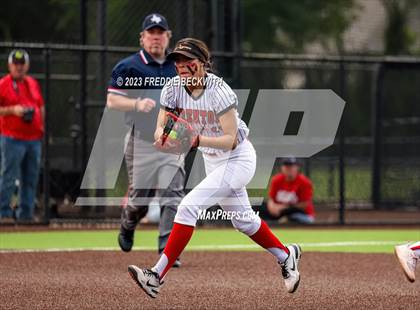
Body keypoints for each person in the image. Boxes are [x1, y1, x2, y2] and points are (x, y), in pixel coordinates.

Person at [127, 38, 302, 298]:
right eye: (178, 61)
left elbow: (231, 140)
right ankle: (286, 255)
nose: (182, 66)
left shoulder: (219, 91)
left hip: (237, 158)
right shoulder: (172, 88)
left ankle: (156, 275)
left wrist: (195, 140)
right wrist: (163, 139)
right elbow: (162, 126)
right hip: (212, 160)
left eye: (188, 61)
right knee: (243, 220)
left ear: (203, 64)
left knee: (187, 206)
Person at [106, 13, 184, 266]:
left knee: (173, 194)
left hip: (171, 141)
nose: (156, 37)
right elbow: (112, 100)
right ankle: (128, 222)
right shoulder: (128, 66)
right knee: (141, 198)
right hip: (140, 141)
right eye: (151, 32)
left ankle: (167, 251)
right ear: (142, 38)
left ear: (168, 37)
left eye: (160, 32)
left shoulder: (178, 66)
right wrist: (136, 103)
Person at [0, 50, 44, 222]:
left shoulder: (32, 83)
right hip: (11, 138)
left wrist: (41, 128)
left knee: (31, 178)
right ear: (10, 65)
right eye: (15, 63)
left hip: (33, 139)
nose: (19, 67)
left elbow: (40, 106)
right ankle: (3, 214)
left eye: (21, 63)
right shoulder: (3, 84)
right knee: (9, 176)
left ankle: (26, 215)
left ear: (26, 65)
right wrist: (13, 110)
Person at [266, 157, 315, 224]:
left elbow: (304, 205)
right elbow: (271, 199)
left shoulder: (304, 182)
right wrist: (272, 207)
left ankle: (285, 220)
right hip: (279, 212)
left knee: (298, 217)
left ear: (297, 168)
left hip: (300, 214)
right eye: (286, 166)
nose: (288, 168)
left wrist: (283, 208)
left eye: (291, 166)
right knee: (258, 208)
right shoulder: (276, 180)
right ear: (282, 168)